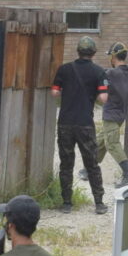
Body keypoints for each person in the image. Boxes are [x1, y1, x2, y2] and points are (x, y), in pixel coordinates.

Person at [51, 35, 107, 214]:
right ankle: (99, 203)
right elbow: (103, 98)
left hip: (65, 123)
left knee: (66, 164)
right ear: (93, 53)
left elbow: (54, 93)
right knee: (92, 164)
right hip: (85, 124)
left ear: (78, 51)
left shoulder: (64, 69)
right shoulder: (99, 72)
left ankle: (67, 203)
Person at [94, 42, 128, 188]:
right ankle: (89, 169)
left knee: (112, 143)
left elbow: (99, 83)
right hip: (121, 114)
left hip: (110, 113)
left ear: (113, 57)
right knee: (101, 140)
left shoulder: (110, 74)